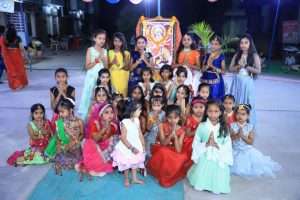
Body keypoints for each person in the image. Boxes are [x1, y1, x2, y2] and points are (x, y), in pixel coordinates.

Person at [187, 100, 233, 194]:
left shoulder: (224, 127)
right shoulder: (202, 126)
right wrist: (206, 144)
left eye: (216, 111)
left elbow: (228, 144)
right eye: (210, 111)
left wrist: (217, 145)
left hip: (219, 155)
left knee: (219, 170)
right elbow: (195, 142)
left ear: (220, 112)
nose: (213, 114)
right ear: (206, 112)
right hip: (205, 153)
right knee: (203, 167)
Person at [230, 104, 281, 177]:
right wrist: (237, 135)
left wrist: (243, 136)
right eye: (238, 113)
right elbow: (230, 138)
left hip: (247, 151)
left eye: (243, 114)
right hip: (235, 150)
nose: (240, 116)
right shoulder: (233, 126)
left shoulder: (250, 127)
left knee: (250, 166)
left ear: (248, 116)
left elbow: (250, 142)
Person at [147, 105, 188, 187]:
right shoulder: (162, 125)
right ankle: (161, 172)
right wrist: (170, 136)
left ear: (179, 118)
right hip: (161, 147)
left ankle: (168, 173)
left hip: (173, 150)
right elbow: (163, 143)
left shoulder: (182, 130)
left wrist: (175, 136)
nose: (172, 120)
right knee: (164, 151)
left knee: (180, 157)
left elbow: (178, 150)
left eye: (175, 118)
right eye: (170, 117)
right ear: (166, 118)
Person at [76, 103, 118, 178]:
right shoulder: (95, 123)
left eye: (112, 112)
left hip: (105, 150)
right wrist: (104, 128)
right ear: (101, 114)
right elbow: (95, 139)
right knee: (88, 142)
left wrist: (108, 127)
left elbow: (108, 139)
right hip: (95, 148)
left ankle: (99, 165)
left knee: (116, 138)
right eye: (106, 112)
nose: (110, 115)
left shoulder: (113, 125)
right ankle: (94, 166)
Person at [111, 101, 146, 187]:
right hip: (127, 146)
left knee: (135, 163)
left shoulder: (137, 120)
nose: (140, 111)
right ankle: (126, 178)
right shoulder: (125, 122)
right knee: (126, 164)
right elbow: (123, 138)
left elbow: (140, 133)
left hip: (136, 144)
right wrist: (131, 148)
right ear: (132, 111)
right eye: (139, 110)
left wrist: (143, 144)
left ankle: (134, 179)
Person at [229, 34, 261, 126]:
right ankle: (235, 122)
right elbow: (230, 69)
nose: (243, 45)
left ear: (250, 44)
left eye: (246, 42)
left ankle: (246, 124)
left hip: (247, 83)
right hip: (237, 83)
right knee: (236, 101)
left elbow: (258, 71)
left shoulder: (254, 55)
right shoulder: (237, 55)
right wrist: (239, 66)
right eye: (241, 43)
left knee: (246, 102)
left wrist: (246, 66)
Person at [47, 98, 84, 176]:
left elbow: (82, 134)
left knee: (78, 156)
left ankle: (76, 162)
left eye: (62, 112)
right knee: (59, 155)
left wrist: (75, 141)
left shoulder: (79, 121)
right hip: (64, 146)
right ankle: (73, 162)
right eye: (59, 112)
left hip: (75, 146)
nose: (60, 114)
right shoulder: (60, 123)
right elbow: (57, 136)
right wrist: (59, 144)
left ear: (70, 110)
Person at [78, 29, 108, 121]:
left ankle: (99, 118)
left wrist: (103, 59)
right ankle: (86, 120)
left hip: (101, 78)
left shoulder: (105, 51)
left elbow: (106, 67)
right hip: (91, 78)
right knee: (89, 98)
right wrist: (96, 60)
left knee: (100, 97)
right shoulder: (90, 50)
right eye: (99, 38)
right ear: (94, 39)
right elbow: (87, 66)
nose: (102, 40)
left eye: (103, 39)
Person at [0, 25, 28, 90]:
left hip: (8, 57)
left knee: (11, 71)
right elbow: (22, 48)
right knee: (20, 70)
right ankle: (21, 83)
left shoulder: (4, 38)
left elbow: (3, 49)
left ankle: (15, 85)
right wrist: (26, 56)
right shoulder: (17, 38)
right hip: (17, 55)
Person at [183, 97, 206, 169]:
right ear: (192, 108)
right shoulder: (190, 119)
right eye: (196, 107)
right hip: (191, 139)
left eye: (201, 107)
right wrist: (198, 131)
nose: (199, 109)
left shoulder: (206, 118)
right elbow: (188, 134)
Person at [201, 36, 225, 101]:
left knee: (214, 100)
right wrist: (208, 65)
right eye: (212, 43)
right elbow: (202, 70)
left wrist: (212, 66)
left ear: (220, 46)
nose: (213, 46)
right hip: (205, 80)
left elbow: (223, 72)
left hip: (216, 82)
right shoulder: (207, 55)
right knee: (204, 99)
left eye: (216, 44)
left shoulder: (221, 56)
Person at [108, 32, 130, 97]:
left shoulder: (126, 53)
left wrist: (119, 65)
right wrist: (112, 62)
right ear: (113, 41)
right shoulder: (109, 52)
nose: (117, 43)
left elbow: (127, 68)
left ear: (123, 42)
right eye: (115, 41)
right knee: (115, 94)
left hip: (123, 77)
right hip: (113, 76)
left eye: (120, 41)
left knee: (123, 94)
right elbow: (107, 67)